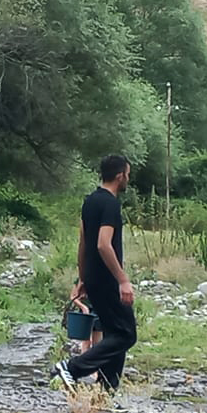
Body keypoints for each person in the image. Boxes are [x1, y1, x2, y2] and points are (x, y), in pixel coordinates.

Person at [55, 155, 136, 392]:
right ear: (120, 175)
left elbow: (83, 242)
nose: (128, 179)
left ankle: (106, 391)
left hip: (93, 276)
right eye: (128, 174)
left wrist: (83, 277)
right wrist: (123, 280)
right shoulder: (110, 204)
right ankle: (73, 368)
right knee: (126, 334)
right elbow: (102, 244)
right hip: (107, 279)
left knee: (114, 332)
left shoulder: (90, 201)